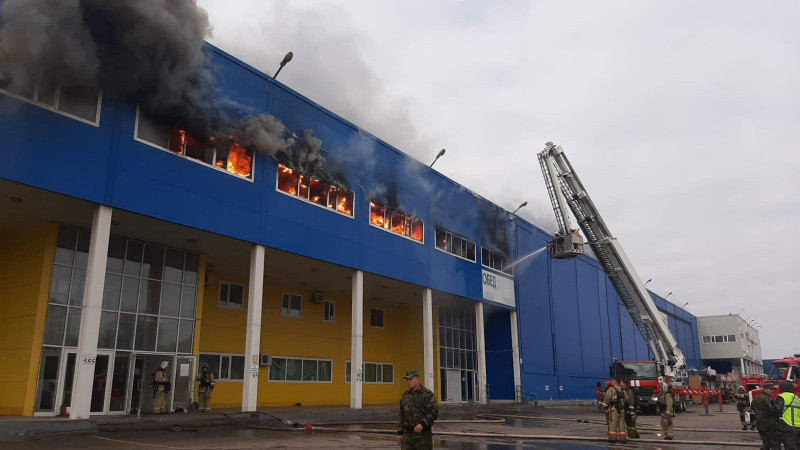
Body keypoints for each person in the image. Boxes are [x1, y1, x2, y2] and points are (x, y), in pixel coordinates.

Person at [397, 370, 438, 449]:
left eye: (410, 379)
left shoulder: (427, 394)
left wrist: (422, 424)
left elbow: (433, 412)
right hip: (407, 436)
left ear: (417, 379)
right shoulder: (406, 395)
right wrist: (400, 432)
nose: (408, 382)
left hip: (423, 437)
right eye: (407, 380)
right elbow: (402, 415)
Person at [752, 383, 780, 450]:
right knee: (775, 443)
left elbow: (752, 407)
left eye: (773, 389)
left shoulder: (756, 397)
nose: (772, 391)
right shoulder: (766, 398)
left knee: (766, 443)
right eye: (771, 389)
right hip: (769, 425)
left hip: (760, 424)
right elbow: (772, 410)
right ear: (765, 389)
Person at [775, 381, 800, 450]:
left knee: (790, 447)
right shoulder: (797, 398)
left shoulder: (782, 397)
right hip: (798, 426)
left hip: (787, 426)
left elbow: (776, 410)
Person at [600, 379, 627, 443]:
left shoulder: (611, 389)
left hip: (614, 410)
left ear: (614, 382)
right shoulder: (622, 389)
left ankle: (612, 439)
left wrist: (603, 406)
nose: (611, 382)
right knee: (622, 424)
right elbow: (627, 399)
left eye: (612, 381)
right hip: (622, 410)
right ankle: (623, 439)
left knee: (613, 424)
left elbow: (607, 399)